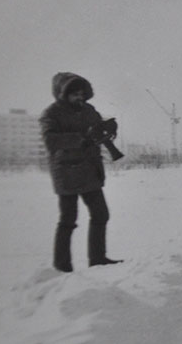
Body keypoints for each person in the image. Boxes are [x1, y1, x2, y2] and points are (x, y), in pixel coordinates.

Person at [39, 72, 122, 272]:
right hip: (67, 173)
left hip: (89, 171)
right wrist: (81, 138)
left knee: (101, 214)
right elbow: (51, 141)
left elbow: (97, 129)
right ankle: (62, 266)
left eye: (81, 93)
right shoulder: (51, 114)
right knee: (68, 220)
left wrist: (109, 128)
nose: (79, 97)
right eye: (74, 94)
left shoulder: (89, 110)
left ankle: (97, 259)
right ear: (62, 94)